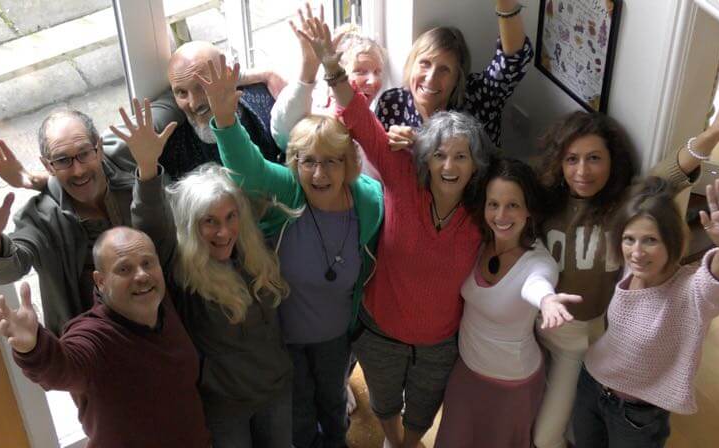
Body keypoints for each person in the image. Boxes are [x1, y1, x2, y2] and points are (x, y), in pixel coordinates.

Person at [297, 16, 497, 448]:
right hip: (381, 329)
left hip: (440, 342)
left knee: (423, 411)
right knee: (385, 404)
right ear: (424, 158)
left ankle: (406, 443)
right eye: (439, 154)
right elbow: (357, 116)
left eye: (461, 157)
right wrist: (331, 67)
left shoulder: (483, 210)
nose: (448, 165)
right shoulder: (401, 174)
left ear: (475, 165)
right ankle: (394, 441)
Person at [532, 74, 719, 448]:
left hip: (586, 343)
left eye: (594, 159)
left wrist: (714, 131)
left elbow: (672, 172)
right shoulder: (546, 201)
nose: (582, 171)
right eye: (572, 159)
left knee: (548, 436)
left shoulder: (624, 206)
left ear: (612, 161)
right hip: (539, 328)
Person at [197, 54, 383, 448]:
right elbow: (249, 169)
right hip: (284, 336)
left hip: (337, 336)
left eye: (331, 162)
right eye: (308, 162)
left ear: (349, 164)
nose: (320, 174)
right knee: (297, 410)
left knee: (333, 404)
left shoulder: (369, 202)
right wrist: (226, 121)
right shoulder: (289, 192)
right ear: (295, 164)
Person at [110, 98, 294, 447]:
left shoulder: (255, 255)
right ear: (192, 227)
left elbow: (255, 170)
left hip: (276, 388)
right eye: (209, 222)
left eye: (229, 217)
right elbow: (150, 224)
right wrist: (147, 167)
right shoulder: (181, 270)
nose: (223, 232)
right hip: (224, 406)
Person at [0, 227, 211, 448]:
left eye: (147, 263)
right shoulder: (94, 335)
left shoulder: (162, 304)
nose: (142, 275)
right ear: (100, 281)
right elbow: (62, 367)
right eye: (124, 269)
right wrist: (33, 346)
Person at [0, 41, 284, 190]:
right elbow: (96, 162)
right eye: (181, 92)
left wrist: (263, 75)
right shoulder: (168, 131)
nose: (193, 103)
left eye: (201, 88)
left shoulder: (263, 104)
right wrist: (29, 180)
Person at [572, 177, 719, 447]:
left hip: (637, 416)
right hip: (591, 386)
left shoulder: (690, 290)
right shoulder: (629, 269)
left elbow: (716, 286)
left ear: (671, 241)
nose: (637, 252)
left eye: (650, 240)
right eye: (629, 239)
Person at [0, 109, 160, 335]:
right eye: (62, 160)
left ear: (98, 149)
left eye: (84, 153)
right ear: (48, 166)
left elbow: (163, 110)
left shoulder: (126, 153)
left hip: (162, 317)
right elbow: (11, 268)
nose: (78, 170)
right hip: (98, 342)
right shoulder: (40, 217)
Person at [434, 158, 581, 448]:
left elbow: (537, 285)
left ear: (529, 210)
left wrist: (547, 300)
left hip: (512, 385)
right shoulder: (476, 241)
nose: (501, 215)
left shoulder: (539, 263)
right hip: (466, 372)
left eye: (513, 205)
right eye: (493, 204)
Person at [377, 0, 532, 149]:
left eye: (444, 69)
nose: (431, 78)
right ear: (411, 64)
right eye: (425, 63)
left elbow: (513, 59)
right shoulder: (391, 103)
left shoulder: (478, 97)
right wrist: (389, 145)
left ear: (458, 78)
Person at [270, 4, 387, 150]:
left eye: (377, 72)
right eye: (360, 72)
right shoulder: (319, 109)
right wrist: (308, 68)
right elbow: (285, 134)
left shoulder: (369, 120)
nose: (373, 81)